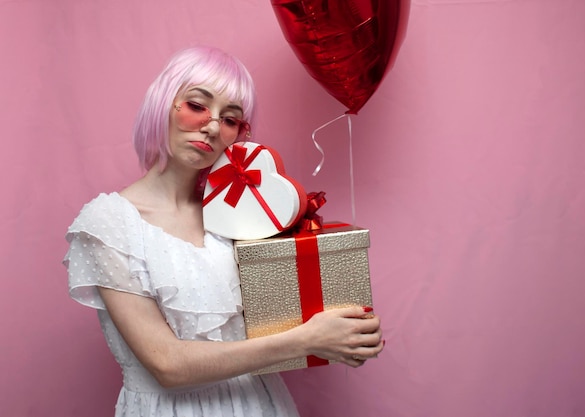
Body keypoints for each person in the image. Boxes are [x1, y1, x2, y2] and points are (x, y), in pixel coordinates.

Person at [63, 46, 384, 417]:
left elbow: (286, 317)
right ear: (162, 104)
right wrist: (307, 340)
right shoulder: (109, 223)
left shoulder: (238, 216)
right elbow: (167, 365)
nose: (213, 127)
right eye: (197, 106)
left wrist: (346, 334)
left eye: (231, 119)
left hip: (262, 405)